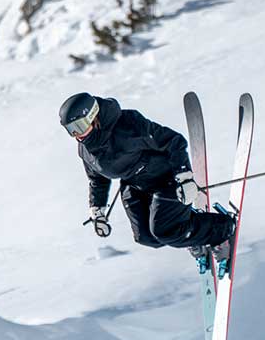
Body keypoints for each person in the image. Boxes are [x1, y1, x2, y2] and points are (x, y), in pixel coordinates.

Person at [60, 94, 235, 256]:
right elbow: (97, 178)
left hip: (166, 179)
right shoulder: (86, 149)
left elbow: (174, 140)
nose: (76, 134)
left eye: (79, 126)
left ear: (93, 116)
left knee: (164, 231)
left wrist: (185, 177)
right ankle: (189, 230)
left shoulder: (128, 126)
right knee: (146, 238)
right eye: (70, 130)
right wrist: (97, 210)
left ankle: (223, 229)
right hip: (135, 185)